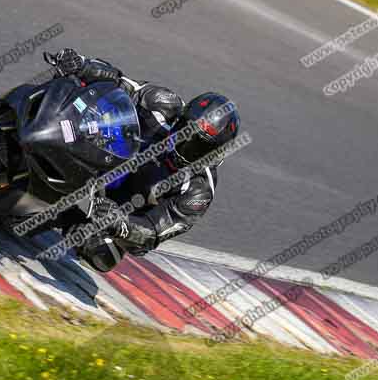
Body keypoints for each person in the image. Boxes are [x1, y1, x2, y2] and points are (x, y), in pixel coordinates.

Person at [43, 48, 241, 272]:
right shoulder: (164, 104)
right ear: (182, 118)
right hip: (93, 158)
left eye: (199, 146)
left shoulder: (198, 190)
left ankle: (54, 215)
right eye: (185, 130)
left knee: (103, 254)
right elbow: (120, 83)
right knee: (73, 93)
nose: (185, 143)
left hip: (108, 207)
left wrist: (120, 223)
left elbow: (155, 232)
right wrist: (83, 65)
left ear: (216, 153)